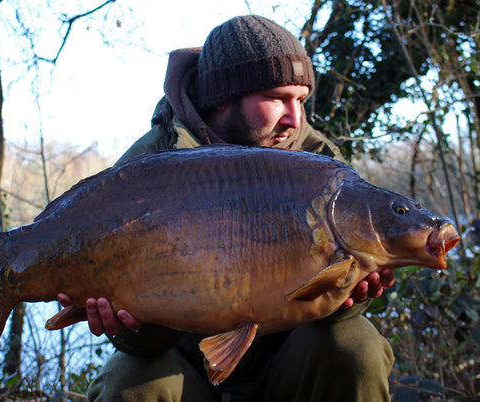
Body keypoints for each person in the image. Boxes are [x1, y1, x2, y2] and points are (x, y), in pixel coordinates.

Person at [59, 15, 396, 401]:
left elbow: (332, 315)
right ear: (222, 98)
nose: (295, 118)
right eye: (276, 98)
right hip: (184, 365)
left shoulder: (319, 165)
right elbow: (141, 344)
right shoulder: (152, 162)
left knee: (356, 348)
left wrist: (353, 294)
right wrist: (130, 327)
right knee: (130, 378)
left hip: (287, 363)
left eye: (301, 99)